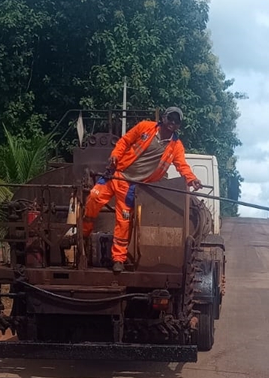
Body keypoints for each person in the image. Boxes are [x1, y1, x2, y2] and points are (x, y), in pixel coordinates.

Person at [82, 107, 202, 273]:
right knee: (93, 198)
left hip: (132, 186)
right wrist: (115, 154)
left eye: (176, 121)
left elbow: (183, 166)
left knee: (123, 220)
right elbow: (125, 141)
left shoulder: (176, 147)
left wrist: (192, 179)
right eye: (170, 118)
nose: (172, 123)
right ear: (163, 118)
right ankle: (83, 235)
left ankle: (118, 259)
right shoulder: (145, 127)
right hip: (116, 175)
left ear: (179, 125)